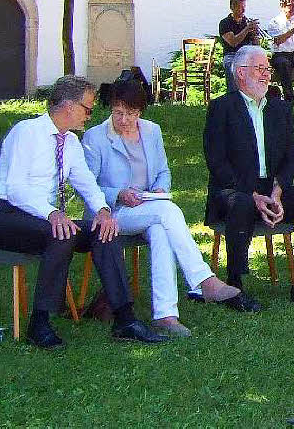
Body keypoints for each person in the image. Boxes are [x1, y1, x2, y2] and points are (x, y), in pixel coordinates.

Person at [0, 75, 164, 348]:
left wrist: (103, 211)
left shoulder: (71, 143)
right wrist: (52, 214)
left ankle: (125, 319)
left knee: (105, 231)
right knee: (62, 234)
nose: (90, 116)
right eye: (87, 109)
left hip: (44, 216)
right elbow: (16, 189)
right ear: (68, 106)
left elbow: (87, 184)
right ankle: (40, 323)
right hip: (5, 215)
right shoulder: (27, 131)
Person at [83, 80, 247, 336]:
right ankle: (204, 280)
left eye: (132, 113)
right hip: (112, 214)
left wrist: (159, 189)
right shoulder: (95, 137)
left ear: (141, 111)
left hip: (148, 206)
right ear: (111, 110)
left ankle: (165, 315)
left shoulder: (152, 131)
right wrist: (119, 194)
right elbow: (87, 187)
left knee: (161, 228)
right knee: (168, 212)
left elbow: (162, 171)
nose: (124, 119)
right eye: (118, 113)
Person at [204, 46, 294, 309]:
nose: (266, 75)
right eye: (260, 69)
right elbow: (217, 163)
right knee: (242, 204)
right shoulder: (221, 108)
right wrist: (252, 195)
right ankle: (234, 286)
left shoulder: (280, 109)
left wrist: (278, 191)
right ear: (240, 73)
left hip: (272, 189)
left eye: (267, 69)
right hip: (233, 191)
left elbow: (291, 159)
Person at [219, 0, 260, 93]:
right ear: (232, 8)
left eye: (244, 7)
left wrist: (255, 34)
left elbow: (256, 45)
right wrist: (247, 29)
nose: (243, 10)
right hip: (232, 54)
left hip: (247, 54)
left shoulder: (246, 21)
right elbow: (233, 42)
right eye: (240, 7)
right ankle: (233, 97)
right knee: (232, 67)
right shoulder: (225, 23)